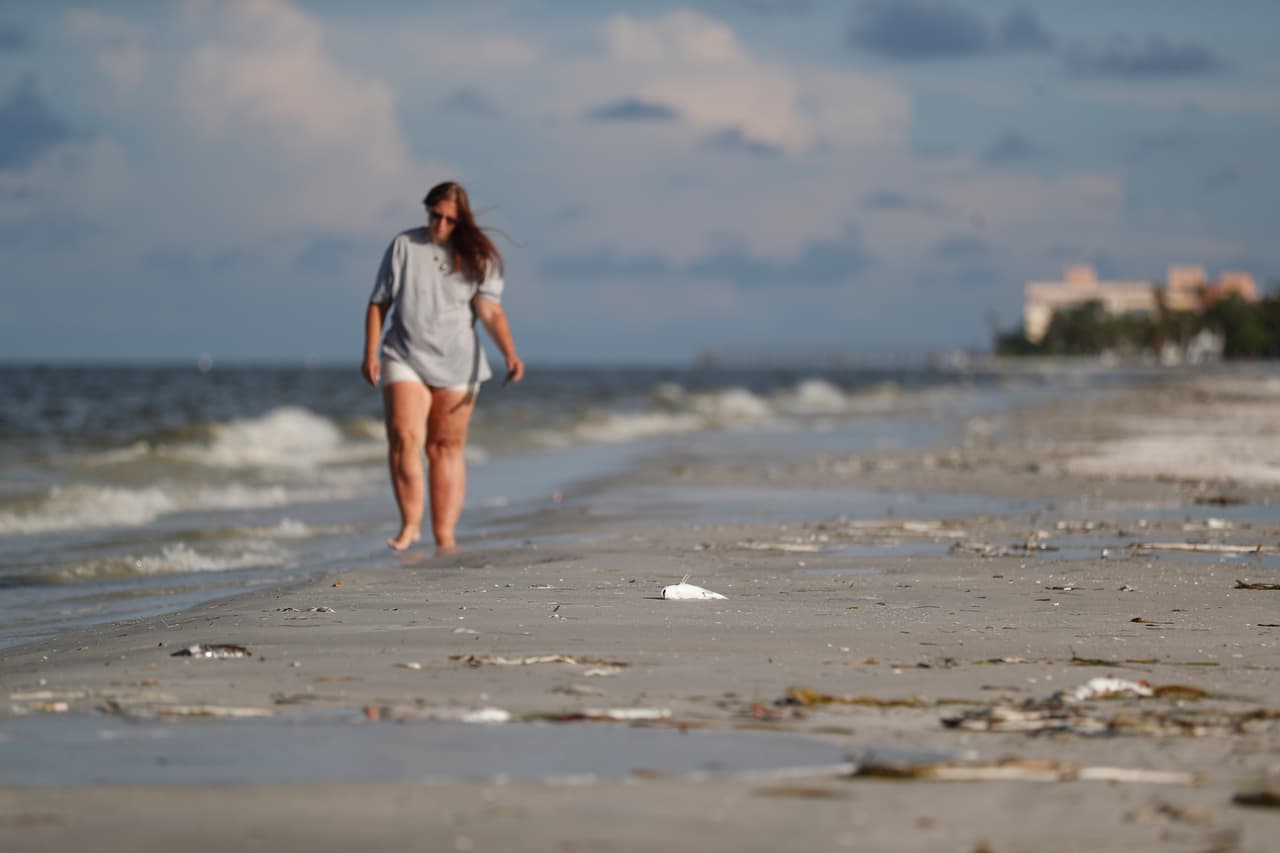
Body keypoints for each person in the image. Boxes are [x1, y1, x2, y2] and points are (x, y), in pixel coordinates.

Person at [362, 181, 524, 553]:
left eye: (450, 220)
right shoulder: (404, 246)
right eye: (436, 215)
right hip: (404, 355)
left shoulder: (478, 256)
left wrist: (510, 355)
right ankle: (410, 525)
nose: (441, 224)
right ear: (428, 210)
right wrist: (370, 353)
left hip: (458, 362)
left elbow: (490, 312)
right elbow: (378, 303)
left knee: (445, 448)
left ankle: (445, 536)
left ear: (461, 221)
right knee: (405, 438)